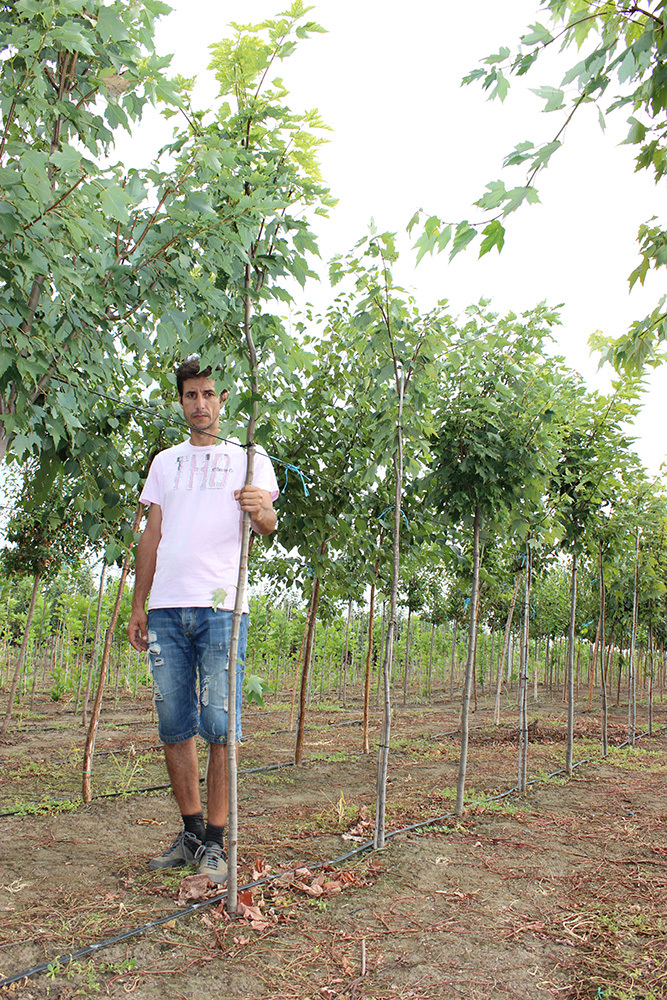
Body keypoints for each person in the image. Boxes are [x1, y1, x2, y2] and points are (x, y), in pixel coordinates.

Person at [127, 356, 278, 884]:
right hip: (167, 609)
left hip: (221, 609)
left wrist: (261, 509)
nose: (200, 404)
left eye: (209, 394)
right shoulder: (165, 463)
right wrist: (138, 602)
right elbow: (152, 536)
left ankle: (217, 841)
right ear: (181, 402)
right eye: (191, 395)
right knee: (174, 727)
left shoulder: (250, 460)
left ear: (222, 400)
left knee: (219, 726)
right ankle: (190, 832)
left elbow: (267, 525)